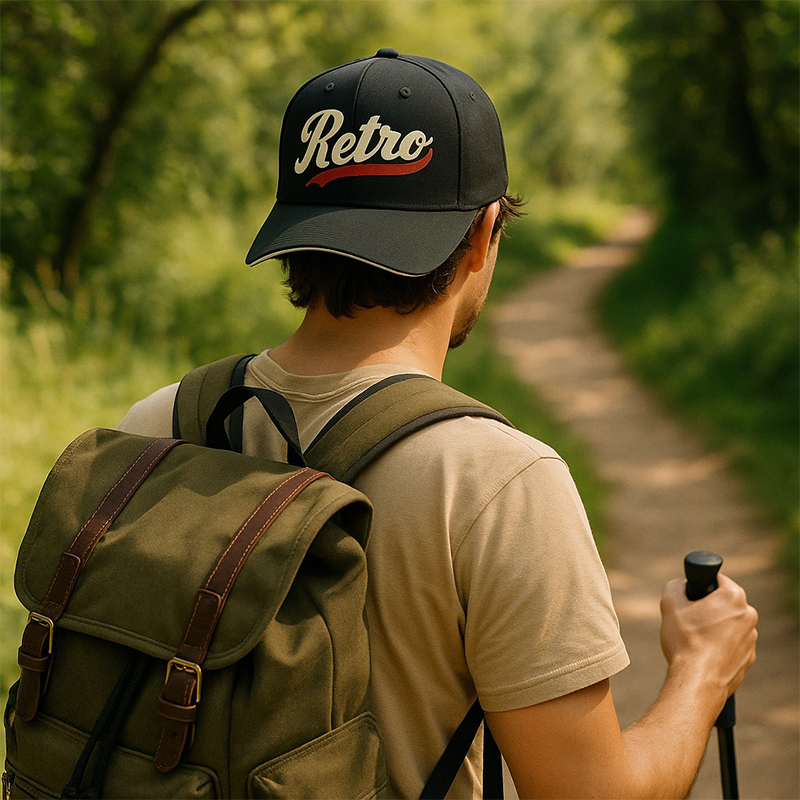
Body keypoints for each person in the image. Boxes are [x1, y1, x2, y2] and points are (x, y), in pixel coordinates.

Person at [119, 50, 758, 799]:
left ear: (297, 228)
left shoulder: (155, 425)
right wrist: (701, 672)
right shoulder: (496, 482)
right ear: (486, 231)